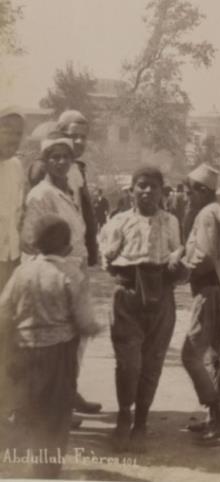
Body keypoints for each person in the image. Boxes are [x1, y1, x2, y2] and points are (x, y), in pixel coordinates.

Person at [0, 215, 101, 479]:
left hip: (23, 350)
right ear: (67, 247)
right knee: (55, 412)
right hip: (58, 353)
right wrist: (94, 328)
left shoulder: (22, 272)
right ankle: (47, 469)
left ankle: (21, 466)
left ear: (36, 244)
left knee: (26, 406)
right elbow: (84, 319)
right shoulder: (70, 274)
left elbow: (3, 310)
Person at [100, 166, 186, 452]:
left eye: (153, 187)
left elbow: (178, 254)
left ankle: (141, 422)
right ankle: (124, 417)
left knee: (152, 363)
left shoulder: (172, 222)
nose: (147, 191)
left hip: (162, 296)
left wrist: (177, 266)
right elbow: (107, 260)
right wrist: (119, 262)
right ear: (131, 190)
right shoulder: (119, 221)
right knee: (128, 363)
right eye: (141, 185)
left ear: (163, 192)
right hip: (128, 295)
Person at [21, 131, 102, 417]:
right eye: (53, 157)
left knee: (74, 341)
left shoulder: (68, 190)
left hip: (73, 270)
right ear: (45, 160)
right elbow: (30, 238)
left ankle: (67, 396)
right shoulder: (40, 194)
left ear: (71, 160)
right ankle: (51, 408)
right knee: (54, 342)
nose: (59, 162)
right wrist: (57, 263)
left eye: (64, 157)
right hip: (51, 273)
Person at [181, 164, 220, 439]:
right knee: (214, 354)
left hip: (210, 291)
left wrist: (178, 269)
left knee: (192, 354)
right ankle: (216, 416)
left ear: (203, 191)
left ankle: (215, 411)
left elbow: (204, 258)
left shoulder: (207, 214)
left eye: (189, 190)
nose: (186, 196)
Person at [57, 110, 100, 271]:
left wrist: (91, 251)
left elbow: (84, 212)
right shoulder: (46, 169)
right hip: (57, 253)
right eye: (73, 136)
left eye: (83, 137)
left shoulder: (78, 169)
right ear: (60, 134)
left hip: (77, 251)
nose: (79, 141)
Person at [0, 106, 24, 293]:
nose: (15, 139)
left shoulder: (16, 166)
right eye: (9, 131)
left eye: (19, 133)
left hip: (11, 257)